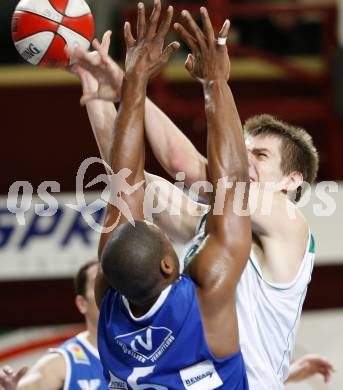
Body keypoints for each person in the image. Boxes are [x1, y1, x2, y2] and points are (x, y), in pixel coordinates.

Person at [71, 1, 252, 388]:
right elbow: (233, 184)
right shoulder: (205, 303)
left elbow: (126, 180)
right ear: (168, 266)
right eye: (167, 241)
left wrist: (133, 81)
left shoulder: (107, 306)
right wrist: (214, 82)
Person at [0, 260, 108, 390]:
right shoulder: (61, 363)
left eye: (112, 285)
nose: (108, 292)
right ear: (82, 304)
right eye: (98, 286)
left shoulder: (138, 350)